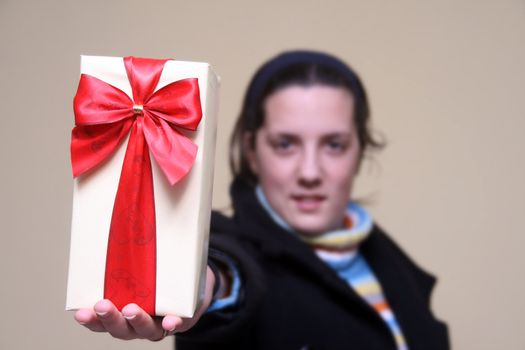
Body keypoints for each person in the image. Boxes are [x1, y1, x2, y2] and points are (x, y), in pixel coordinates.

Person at [74, 50, 450, 349]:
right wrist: (202, 287)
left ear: (360, 151)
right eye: (285, 144)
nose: (309, 171)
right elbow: (229, 274)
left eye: (334, 145)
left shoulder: (389, 261)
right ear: (252, 150)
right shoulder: (226, 245)